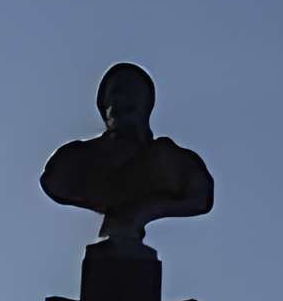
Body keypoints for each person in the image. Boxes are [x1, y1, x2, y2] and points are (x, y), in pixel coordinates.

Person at [40, 63, 214, 247]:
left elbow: (200, 197)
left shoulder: (169, 159)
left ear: (146, 106)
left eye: (132, 94)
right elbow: (53, 182)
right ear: (104, 105)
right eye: (116, 93)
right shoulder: (75, 159)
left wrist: (148, 209)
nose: (122, 101)